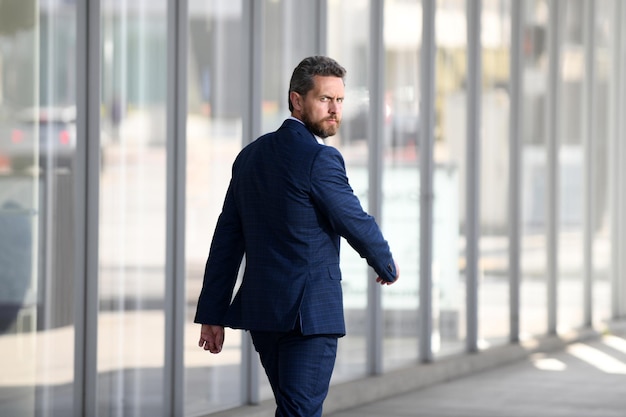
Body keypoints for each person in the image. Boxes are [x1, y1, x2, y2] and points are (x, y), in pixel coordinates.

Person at [194, 55, 399, 417]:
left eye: (339, 100)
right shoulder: (320, 160)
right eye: (325, 99)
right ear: (296, 100)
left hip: (264, 316)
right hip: (309, 317)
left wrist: (213, 312)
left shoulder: (249, 157)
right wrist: (383, 260)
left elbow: (226, 241)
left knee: (293, 408)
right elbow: (353, 219)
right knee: (299, 412)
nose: (335, 110)